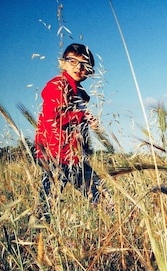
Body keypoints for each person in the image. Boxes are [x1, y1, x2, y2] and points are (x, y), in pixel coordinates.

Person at [34, 43, 111, 220]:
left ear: (90, 71)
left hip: (73, 155)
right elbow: (55, 117)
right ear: (63, 64)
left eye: (84, 64)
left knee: (100, 194)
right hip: (55, 154)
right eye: (72, 61)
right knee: (48, 201)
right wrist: (83, 116)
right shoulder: (57, 85)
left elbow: (75, 120)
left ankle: (111, 226)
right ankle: (36, 236)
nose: (78, 67)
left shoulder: (80, 94)